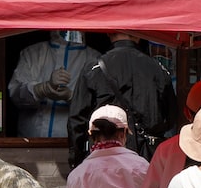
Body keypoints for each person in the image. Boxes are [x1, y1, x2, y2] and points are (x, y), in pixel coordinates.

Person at [69, 32, 179, 165]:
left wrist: (77, 160)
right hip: (149, 157)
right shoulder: (159, 69)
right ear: (139, 35)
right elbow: (172, 118)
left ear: (110, 33)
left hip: (104, 158)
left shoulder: (93, 69)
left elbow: (77, 120)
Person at [7, 31, 100, 138]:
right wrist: (42, 89)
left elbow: (99, 104)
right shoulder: (32, 53)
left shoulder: (94, 58)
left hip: (75, 141)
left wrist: (72, 97)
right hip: (32, 141)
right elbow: (15, 95)